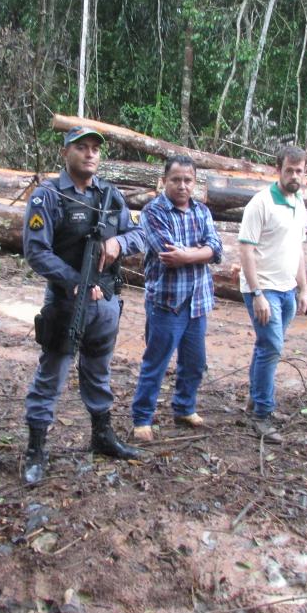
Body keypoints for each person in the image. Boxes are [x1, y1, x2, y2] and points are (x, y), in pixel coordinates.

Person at [21, 126, 146, 485]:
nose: (90, 154)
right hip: (66, 301)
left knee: (98, 370)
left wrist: (119, 245)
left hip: (105, 301)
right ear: (65, 154)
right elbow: (36, 251)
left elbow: (140, 234)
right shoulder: (49, 197)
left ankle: (102, 434)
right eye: (81, 148)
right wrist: (75, 280)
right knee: (53, 373)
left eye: (95, 148)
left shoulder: (109, 195)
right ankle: (36, 447)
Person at [130, 155, 223, 442]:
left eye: (188, 180)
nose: (182, 186)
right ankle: (142, 418)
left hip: (197, 301)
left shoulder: (202, 211)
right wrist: (200, 252)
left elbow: (217, 249)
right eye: (176, 180)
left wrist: (189, 254)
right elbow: (168, 253)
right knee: (155, 362)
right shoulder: (153, 212)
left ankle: (184, 407)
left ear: (194, 183)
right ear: (164, 181)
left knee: (194, 363)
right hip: (167, 303)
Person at [238, 145, 307, 444]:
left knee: (266, 346)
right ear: (277, 169)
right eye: (289, 170)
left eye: (299, 171)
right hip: (263, 289)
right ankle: (262, 415)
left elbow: (298, 249)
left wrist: (303, 286)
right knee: (272, 348)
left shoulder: (300, 204)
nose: (294, 176)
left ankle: (256, 400)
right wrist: (257, 293)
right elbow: (245, 248)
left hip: (287, 289)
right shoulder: (261, 203)